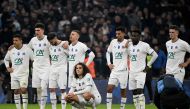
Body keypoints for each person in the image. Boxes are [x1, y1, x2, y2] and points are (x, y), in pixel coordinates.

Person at [128, 27, 158, 109]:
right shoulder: (129, 46)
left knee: (140, 91)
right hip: (131, 72)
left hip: (141, 72)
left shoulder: (144, 45)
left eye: (135, 36)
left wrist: (148, 65)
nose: (133, 37)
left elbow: (155, 55)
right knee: (134, 93)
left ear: (139, 37)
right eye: (132, 36)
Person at [4, 34, 33, 109]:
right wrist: (8, 67)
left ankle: (25, 107)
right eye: (13, 40)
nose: (14, 42)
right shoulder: (11, 50)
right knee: (16, 91)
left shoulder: (27, 49)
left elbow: (34, 59)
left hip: (24, 74)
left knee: (23, 90)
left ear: (21, 41)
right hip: (14, 74)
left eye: (16, 40)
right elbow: (6, 59)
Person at [28, 23, 50, 109]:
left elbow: (56, 44)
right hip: (36, 67)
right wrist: (32, 57)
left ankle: (42, 108)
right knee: (38, 89)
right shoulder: (33, 40)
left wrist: (64, 42)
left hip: (46, 67)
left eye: (38, 30)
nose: (36, 32)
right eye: (35, 30)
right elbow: (27, 49)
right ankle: (40, 106)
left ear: (43, 31)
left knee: (43, 87)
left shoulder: (48, 39)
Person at [106, 26, 129, 109]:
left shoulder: (127, 43)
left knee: (123, 91)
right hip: (114, 70)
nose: (117, 35)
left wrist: (129, 41)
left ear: (123, 34)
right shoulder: (113, 42)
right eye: (116, 34)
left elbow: (137, 43)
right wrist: (109, 63)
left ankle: (122, 108)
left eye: (119, 34)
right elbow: (108, 52)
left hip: (123, 71)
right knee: (109, 89)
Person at [47, 32, 69, 109]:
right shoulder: (50, 45)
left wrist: (67, 43)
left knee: (62, 89)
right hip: (53, 69)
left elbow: (71, 54)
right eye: (49, 42)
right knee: (51, 89)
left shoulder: (64, 44)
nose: (51, 43)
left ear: (55, 38)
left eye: (52, 41)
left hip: (62, 68)